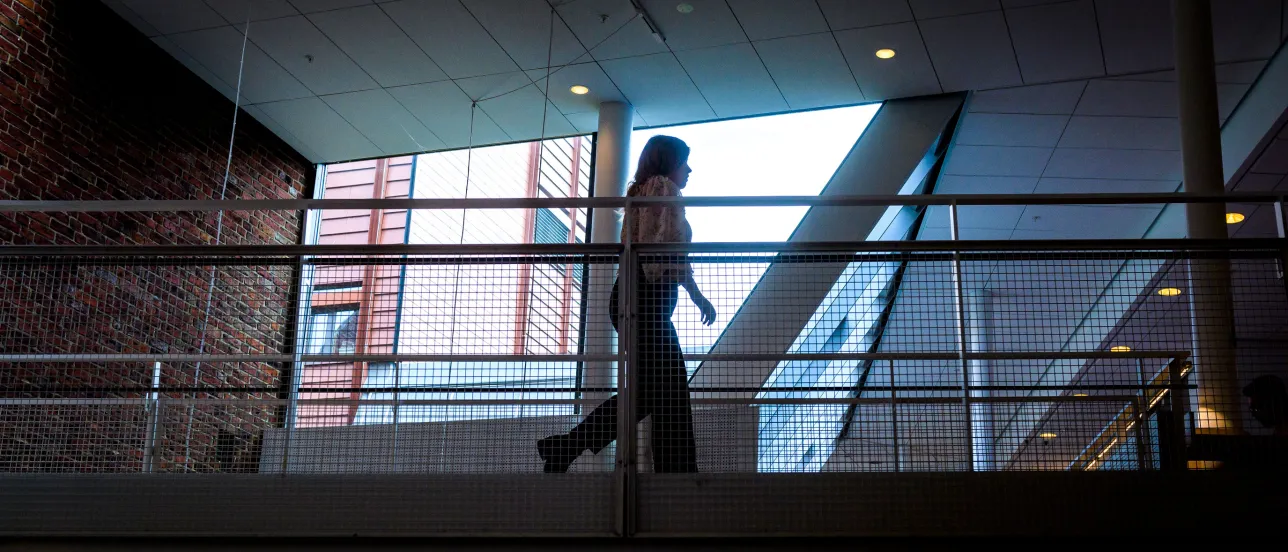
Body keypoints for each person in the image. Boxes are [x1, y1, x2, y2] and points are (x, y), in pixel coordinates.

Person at [537, 135, 716, 473]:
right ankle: (674, 470)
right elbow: (658, 248)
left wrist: (693, 295)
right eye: (684, 162)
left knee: (657, 387)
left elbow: (659, 248)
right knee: (667, 385)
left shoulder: (643, 190)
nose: (689, 169)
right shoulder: (664, 187)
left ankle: (566, 446)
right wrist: (684, 291)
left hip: (638, 299)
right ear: (668, 163)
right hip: (646, 300)